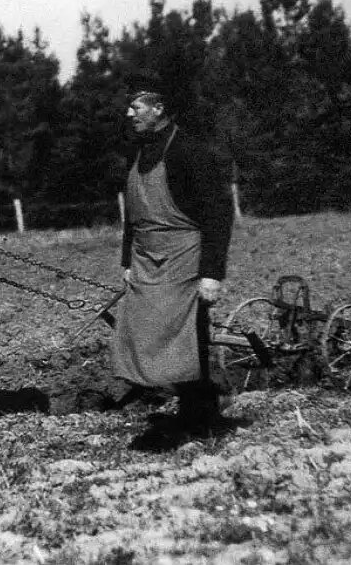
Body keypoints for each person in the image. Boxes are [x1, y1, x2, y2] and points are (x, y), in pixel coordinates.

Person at [112, 91, 237, 450]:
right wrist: (126, 262)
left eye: (136, 107)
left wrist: (212, 273)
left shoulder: (190, 152)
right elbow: (133, 216)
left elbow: (218, 213)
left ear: (159, 108)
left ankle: (202, 418)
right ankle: (194, 408)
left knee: (187, 336)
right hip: (147, 260)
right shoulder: (140, 153)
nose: (129, 113)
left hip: (185, 258)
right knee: (145, 331)